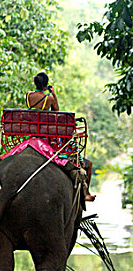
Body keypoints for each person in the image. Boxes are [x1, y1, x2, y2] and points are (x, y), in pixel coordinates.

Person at [27, 72, 95, 201]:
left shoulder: (29, 96)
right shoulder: (49, 98)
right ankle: (85, 193)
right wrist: (53, 94)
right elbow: (56, 112)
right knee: (74, 153)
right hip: (46, 136)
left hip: (31, 133)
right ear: (46, 84)